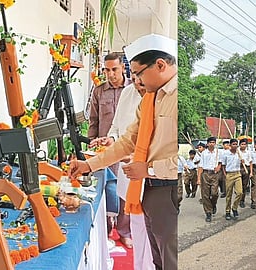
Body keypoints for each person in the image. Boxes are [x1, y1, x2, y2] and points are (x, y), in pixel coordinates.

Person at [69, 33, 178, 269]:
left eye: (138, 73)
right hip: (146, 189)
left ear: (160, 65)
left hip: (168, 189)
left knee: (169, 257)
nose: (135, 80)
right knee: (155, 257)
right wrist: (88, 165)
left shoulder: (176, 97)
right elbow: (127, 140)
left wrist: (148, 168)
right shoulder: (151, 98)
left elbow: (179, 159)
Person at [90, 75, 155, 268]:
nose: (137, 83)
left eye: (141, 77)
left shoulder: (163, 99)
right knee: (138, 231)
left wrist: (134, 156)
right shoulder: (128, 93)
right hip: (131, 174)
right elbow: (121, 131)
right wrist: (111, 140)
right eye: (134, 78)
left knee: (153, 245)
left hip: (155, 182)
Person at [88, 52, 131, 247]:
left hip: (128, 149)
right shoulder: (98, 91)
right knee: (105, 189)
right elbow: (94, 120)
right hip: (105, 151)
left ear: (123, 68)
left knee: (125, 192)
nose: (110, 74)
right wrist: (92, 141)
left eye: (114, 69)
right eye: (106, 70)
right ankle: (105, 231)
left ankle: (124, 231)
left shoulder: (133, 89)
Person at [197, 137, 221, 222]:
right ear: (207, 144)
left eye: (213, 142)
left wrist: (218, 167)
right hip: (205, 174)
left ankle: (213, 204)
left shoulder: (218, 152)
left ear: (215, 143)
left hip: (214, 174)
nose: (212, 144)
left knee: (214, 193)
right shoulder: (204, 153)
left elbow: (220, 163)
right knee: (205, 195)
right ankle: (208, 212)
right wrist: (199, 179)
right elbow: (200, 166)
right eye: (210, 142)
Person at [221, 138, 242, 220]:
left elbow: (243, 162)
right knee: (228, 194)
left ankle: (234, 207)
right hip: (229, 174)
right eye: (233, 144)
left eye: (236, 144)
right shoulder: (226, 154)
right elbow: (223, 165)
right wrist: (225, 175)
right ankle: (227, 211)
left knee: (240, 192)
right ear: (230, 145)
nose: (235, 146)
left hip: (237, 174)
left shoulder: (239, 153)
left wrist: (243, 161)